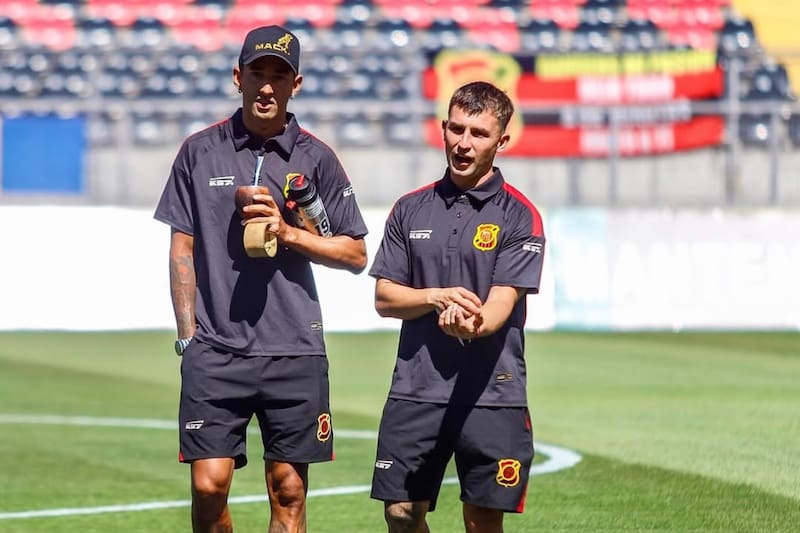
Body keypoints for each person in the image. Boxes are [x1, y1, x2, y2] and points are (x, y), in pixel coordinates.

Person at [153, 24, 368, 533]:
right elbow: (182, 249)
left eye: (279, 75)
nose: (267, 86)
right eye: (257, 73)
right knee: (209, 488)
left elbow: (355, 252)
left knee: (288, 492)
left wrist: (288, 234)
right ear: (238, 77)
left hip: (295, 348)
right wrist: (188, 336)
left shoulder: (316, 158)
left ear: (296, 84)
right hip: (216, 349)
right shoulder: (199, 151)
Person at [368, 81, 546, 533]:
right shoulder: (410, 208)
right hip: (416, 387)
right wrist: (435, 297)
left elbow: (500, 306)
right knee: (402, 513)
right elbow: (385, 297)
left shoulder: (519, 215)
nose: (463, 144)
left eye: (479, 134)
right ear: (443, 128)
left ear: (502, 141)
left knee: (481, 522)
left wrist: (470, 320)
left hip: (491, 392)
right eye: (456, 129)